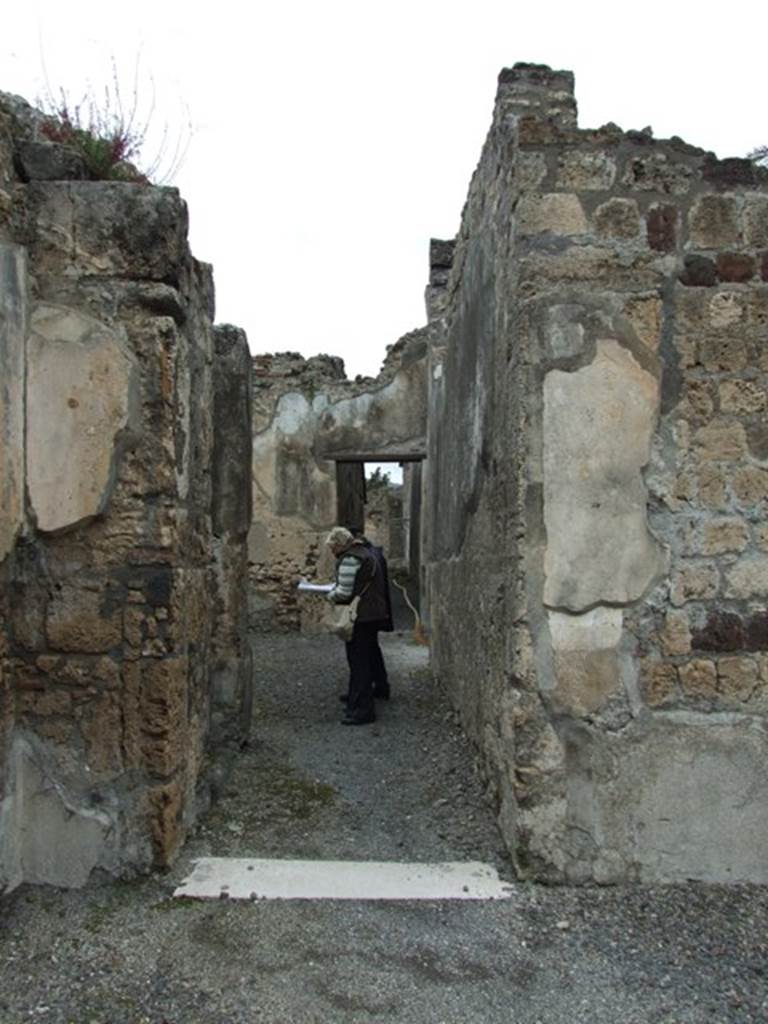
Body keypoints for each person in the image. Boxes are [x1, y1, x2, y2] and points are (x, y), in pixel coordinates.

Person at [326, 526, 390, 726]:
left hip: (360, 616)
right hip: (371, 614)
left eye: (332, 547)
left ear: (339, 545)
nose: (332, 551)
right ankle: (359, 698)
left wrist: (328, 594)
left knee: (358, 662)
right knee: (366, 657)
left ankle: (362, 710)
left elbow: (344, 592)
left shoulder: (350, 559)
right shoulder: (365, 553)